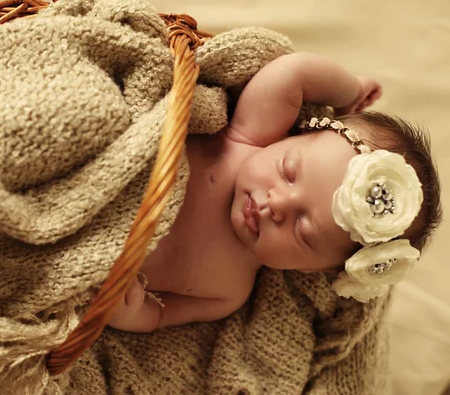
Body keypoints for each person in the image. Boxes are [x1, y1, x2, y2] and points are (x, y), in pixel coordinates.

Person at [108, 52, 442, 333]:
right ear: (291, 136)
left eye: (302, 230)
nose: (276, 203)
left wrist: (130, 313)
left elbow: (160, 316)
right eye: (288, 171)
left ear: (314, 269)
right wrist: (348, 92)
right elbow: (294, 72)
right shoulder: (247, 138)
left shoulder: (229, 290)